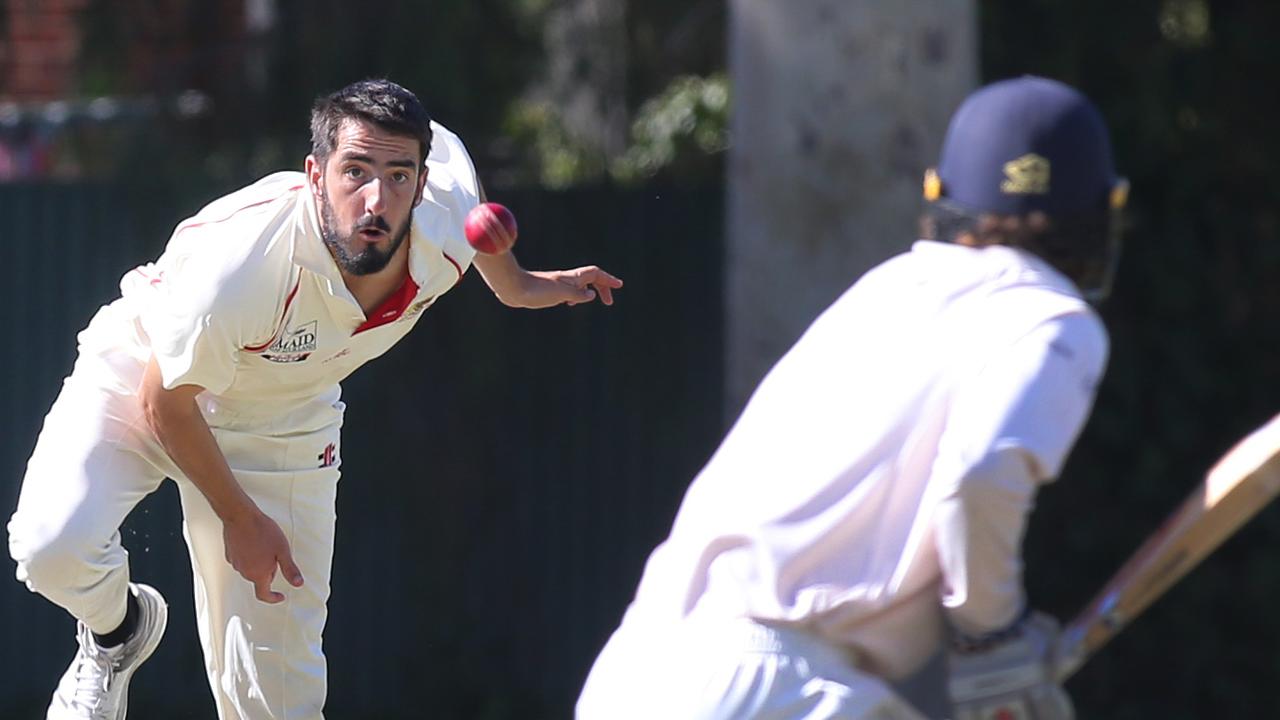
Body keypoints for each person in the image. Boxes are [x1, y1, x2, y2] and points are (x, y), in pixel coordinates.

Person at [7, 78, 622, 720]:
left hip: (283, 422)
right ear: (314, 174)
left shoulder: (444, 211)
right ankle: (118, 631)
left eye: (398, 175)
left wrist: (523, 285)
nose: (376, 199)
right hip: (149, 371)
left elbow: (476, 227)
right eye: (354, 172)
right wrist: (240, 519)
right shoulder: (243, 267)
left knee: (275, 703)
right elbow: (167, 404)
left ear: (421, 179)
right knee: (53, 548)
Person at [576, 76, 1127, 719]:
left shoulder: (887, 289)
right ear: (1101, 214)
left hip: (637, 677)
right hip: (776, 691)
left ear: (940, 196)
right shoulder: (1052, 316)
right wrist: (993, 636)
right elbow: (982, 472)